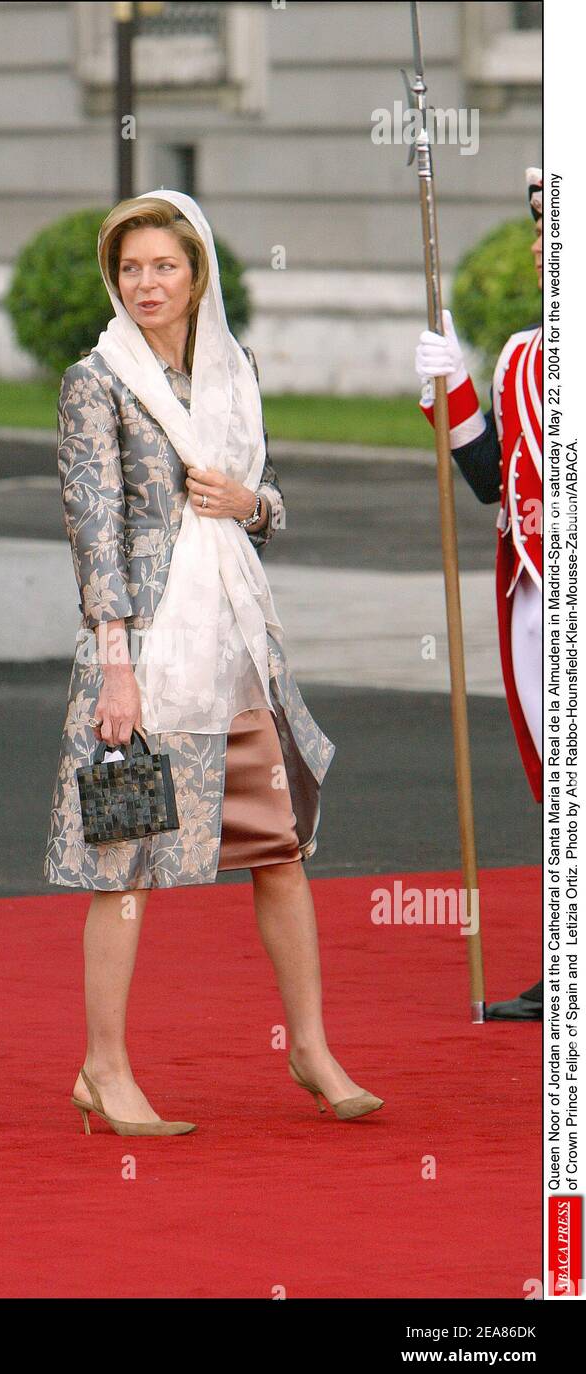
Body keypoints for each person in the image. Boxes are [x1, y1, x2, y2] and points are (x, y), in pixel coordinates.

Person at [43, 190, 384, 1133]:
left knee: (279, 848)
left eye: (165, 266)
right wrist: (117, 667)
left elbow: (266, 505)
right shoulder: (95, 380)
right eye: (130, 268)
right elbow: (94, 532)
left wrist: (253, 503)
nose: (145, 283)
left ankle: (310, 1051)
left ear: (199, 276)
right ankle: (103, 1069)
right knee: (125, 860)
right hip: (143, 658)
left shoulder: (238, 370)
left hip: (236, 651)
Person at [414, 167, 543, 1022]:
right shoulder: (525, 356)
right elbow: (494, 481)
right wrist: (454, 384)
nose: (539, 246)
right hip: (538, 600)